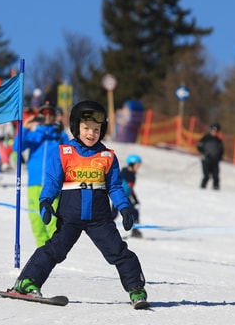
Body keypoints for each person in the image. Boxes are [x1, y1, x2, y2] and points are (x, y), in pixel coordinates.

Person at [9, 100, 148, 309]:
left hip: (99, 219)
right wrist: (45, 202)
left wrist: (124, 207)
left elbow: (115, 187)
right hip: (70, 217)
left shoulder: (107, 156)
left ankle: (136, 289)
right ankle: (27, 282)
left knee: (118, 251)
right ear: (76, 127)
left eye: (96, 129)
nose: (91, 133)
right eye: (86, 129)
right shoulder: (65, 152)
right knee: (54, 250)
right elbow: (53, 182)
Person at [17, 101, 68, 246]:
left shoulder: (60, 135)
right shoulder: (34, 134)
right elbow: (17, 147)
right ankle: (42, 253)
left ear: (54, 116)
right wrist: (25, 129)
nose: (47, 116)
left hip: (52, 185)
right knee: (36, 220)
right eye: (43, 113)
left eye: (50, 113)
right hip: (34, 183)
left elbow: (69, 155)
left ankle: (56, 251)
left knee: (51, 219)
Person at [113, 154, 143, 238]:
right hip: (119, 197)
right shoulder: (124, 173)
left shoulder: (132, 175)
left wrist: (135, 199)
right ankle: (101, 228)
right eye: (137, 165)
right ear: (131, 164)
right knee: (113, 215)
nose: (138, 167)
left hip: (125, 197)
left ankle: (135, 230)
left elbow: (130, 189)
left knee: (134, 212)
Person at [197, 123, 224, 190]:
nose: (214, 132)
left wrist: (219, 157)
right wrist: (204, 152)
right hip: (206, 160)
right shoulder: (205, 138)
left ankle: (216, 189)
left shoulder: (218, 140)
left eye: (216, 131)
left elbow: (221, 150)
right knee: (206, 176)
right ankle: (202, 189)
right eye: (213, 130)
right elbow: (199, 146)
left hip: (215, 161)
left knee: (216, 177)